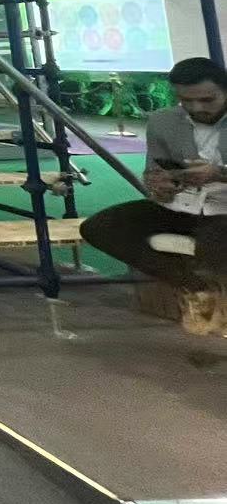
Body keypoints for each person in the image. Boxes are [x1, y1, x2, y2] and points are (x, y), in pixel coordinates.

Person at [81, 57, 227, 326]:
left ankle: (207, 290)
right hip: (179, 205)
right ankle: (193, 285)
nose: (197, 107)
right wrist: (160, 185)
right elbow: (153, 171)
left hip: (223, 210)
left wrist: (218, 174)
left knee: (214, 247)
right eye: (186, 100)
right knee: (100, 227)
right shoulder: (163, 121)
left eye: (207, 100)